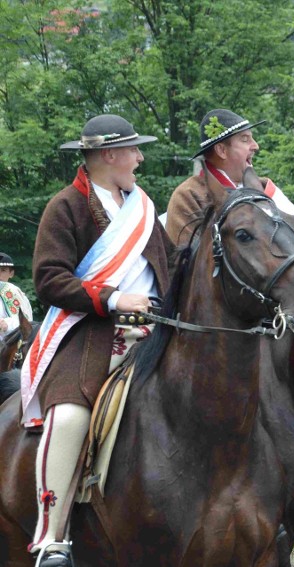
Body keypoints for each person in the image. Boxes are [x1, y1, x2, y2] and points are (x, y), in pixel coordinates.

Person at [21, 114, 171, 567]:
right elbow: (49, 280)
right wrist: (112, 297)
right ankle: (51, 536)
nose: (140, 159)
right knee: (68, 416)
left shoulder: (142, 209)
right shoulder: (65, 205)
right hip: (89, 334)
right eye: (133, 151)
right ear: (109, 155)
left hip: (158, 332)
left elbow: (173, 266)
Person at [165, 108, 294, 246]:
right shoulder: (188, 195)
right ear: (221, 150)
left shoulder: (264, 188)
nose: (255, 146)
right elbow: (185, 262)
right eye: (245, 139)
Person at [0, 253, 33, 341]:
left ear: (11, 273)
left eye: (3, 270)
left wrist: (6, 324)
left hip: (7, 347)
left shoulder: (9, 290)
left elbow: (26, 322)